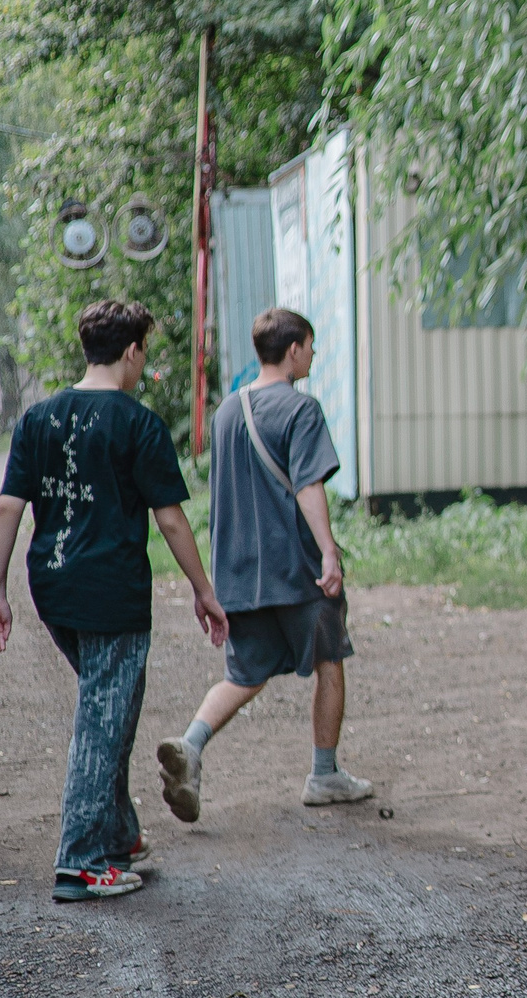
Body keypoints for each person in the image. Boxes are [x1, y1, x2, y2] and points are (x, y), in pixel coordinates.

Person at [0, 300, 227, 903]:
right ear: (132, 351)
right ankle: (81, 863)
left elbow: (8, 507)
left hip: (54, 588)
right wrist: (204, 590)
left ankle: (118, 836)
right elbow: (171, 520)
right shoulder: (138, 424)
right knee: (102, 721)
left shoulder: (38, 418)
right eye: (144, 351)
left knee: (111, 710)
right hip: (112, 592)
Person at [156, 308, 371, 823]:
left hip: (239, 575)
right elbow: (308, 486)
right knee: (329, 660)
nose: (313, 355)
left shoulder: (228, 411)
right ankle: (324, 775)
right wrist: (329, 551)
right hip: (297, 571)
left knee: (244, 675)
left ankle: (190, 745)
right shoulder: (301, 409)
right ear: (293, 349)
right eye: (310, 346)